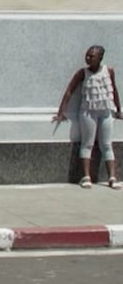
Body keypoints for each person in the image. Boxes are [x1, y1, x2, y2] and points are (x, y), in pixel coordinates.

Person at [53, 44, 122, 189]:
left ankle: (112, 177)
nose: (88, 58)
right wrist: (61, 113)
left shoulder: (109, 71)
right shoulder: (82, 73)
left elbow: (114, 90)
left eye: (92, 56)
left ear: (100, 58)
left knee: (106, 144)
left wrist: (118, 109)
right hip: (88, 112)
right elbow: (69, 91)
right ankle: (86, 176)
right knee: (87, 143)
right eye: (87, 55)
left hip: (105, 111)